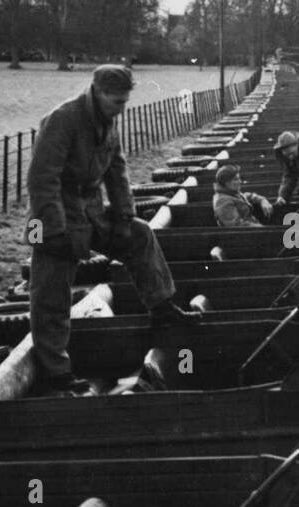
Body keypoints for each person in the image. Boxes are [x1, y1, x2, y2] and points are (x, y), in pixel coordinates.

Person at [25, 64, 200, 395]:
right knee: (50, 295)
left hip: (90, 213)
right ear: (98, 92)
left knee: (141, 234)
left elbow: (117, 171)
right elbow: (41, 179)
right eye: (116, 102)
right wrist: (54, 230)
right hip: (53, 218)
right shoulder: (62, 120)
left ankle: (162, 308)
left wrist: (122, 217)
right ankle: (56, 372)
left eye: (124, 102)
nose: (122, 108)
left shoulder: (108, 122)